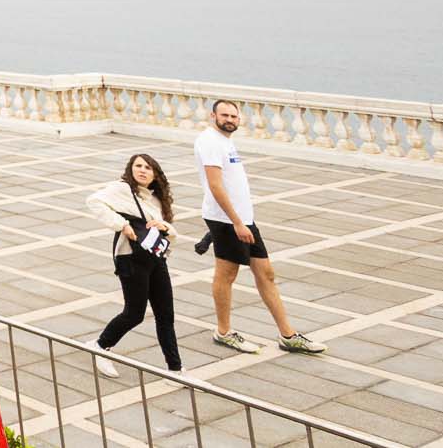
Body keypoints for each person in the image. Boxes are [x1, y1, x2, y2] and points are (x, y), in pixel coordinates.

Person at [197, 99, 327, 354]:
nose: (230, 119)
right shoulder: (210, 141)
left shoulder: (225, 140)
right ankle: (223, 332)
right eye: (224, 115)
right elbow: (215, 185)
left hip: (243, 220)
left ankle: (288, 336)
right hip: (227, 221)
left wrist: (243, 221)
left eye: (234, 116)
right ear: (213, 115)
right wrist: (236, 223)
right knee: (226, 275)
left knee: (265, 273)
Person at [84, 152, 180, 376]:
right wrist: (121, 224)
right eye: (138, 166)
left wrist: (166, 228)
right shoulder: (122, 189)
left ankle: (175, 369)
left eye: (148, 167)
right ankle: (101, 346)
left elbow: (169, 233)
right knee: (135, 312)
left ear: (155, 174)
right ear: (131, 168)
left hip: (155, 258)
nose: (142, 170)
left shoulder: (156, 198)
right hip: (130, 257)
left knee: (166, 316)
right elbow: (94, 201)